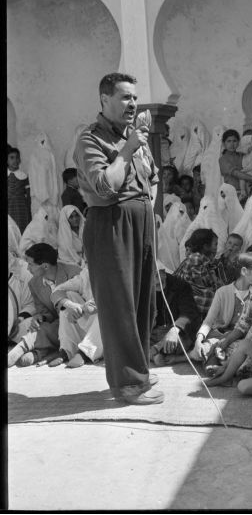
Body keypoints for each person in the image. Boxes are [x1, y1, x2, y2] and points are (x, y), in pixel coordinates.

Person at [73, 72, 163, 405]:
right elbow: (105, 186)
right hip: (110, 225)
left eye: (134, 97)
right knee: (118, 306)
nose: (133, 103)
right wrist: (126, 149)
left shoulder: (133, 137)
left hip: (140, 224)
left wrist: (147, 208)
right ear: (105, 100)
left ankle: (138, 374)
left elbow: (151, 177)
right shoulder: (90, 139)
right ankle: (126, 385)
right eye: (125, 97)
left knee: (142, 302)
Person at [8, 243, 81, 368]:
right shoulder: (34, 283)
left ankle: (31, 352)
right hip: (58, 326)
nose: (28, 269)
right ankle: (34, 354)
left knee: (51, 326)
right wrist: (40, 317)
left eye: (31, 264)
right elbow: (46, 312)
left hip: (79, 322)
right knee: (39, 327)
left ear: (45, 266)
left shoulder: (74, 272)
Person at [190, 253, 252, 370]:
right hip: (220, 336)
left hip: (243, 339)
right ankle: (211, 358)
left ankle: (214, 362)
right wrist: (199, 339)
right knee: (204, 347)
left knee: (237, 350)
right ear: (244, 271)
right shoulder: (222, 292)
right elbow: (209, 321)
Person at [150, 261, 203, 367]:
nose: (157, 282)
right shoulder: (142, 288)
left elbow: (189, 312)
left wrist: (175, 329)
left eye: (158, 275)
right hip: (153, 331)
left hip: (176, 331)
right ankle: (154, 353)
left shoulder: (180, 286)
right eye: (152, 278)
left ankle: (153, 351)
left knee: (177, 342)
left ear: (164, 273)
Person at [50, 263, 104, 368]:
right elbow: (58, 291)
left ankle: (86, 352)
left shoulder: (115, 271)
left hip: (113, 328)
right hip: (91, 321)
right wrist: (71, 306)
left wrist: (82, 309)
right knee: (68, 296)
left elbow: (111, 296)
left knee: (107, 310)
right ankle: (68, 349)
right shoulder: (86, 274)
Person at [173, 228, 219, 317]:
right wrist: (214, 281)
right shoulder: (196, 259)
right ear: (205, 246)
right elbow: (202, 282)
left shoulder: (204, 259)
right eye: (215, 244)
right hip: (193, 303)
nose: (216, 248)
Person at [7, 145, 31, 233]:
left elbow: (28, 196)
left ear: (20, 160)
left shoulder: (24, 176)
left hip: (21, 208)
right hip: (9, 207)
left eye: (17, 158)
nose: (15, 160)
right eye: (11, 158)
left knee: (21, 229)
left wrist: (28, 210)